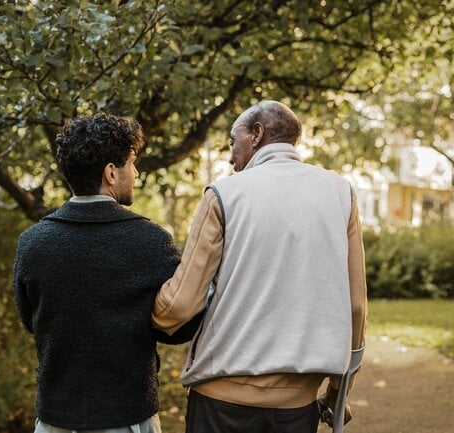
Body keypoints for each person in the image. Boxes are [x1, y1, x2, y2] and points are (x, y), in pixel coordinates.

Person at [152, 101, 368, 433]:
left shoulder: (223, 193)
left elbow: (181, 303)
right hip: (296, 407)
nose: (229, 155)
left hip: (220, 401)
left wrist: (147, 317)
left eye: (231, 141)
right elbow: (355, 307)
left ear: (256, 134)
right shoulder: (341, 193)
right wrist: (338, 393)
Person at [12, 113, 200, 433]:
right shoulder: (151, 241)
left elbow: (31, 321)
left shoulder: (32, 243)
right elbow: (180, 329)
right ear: (111, 173)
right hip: (127, 419)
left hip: (55, 419)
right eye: (132, 163)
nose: (136, 172)